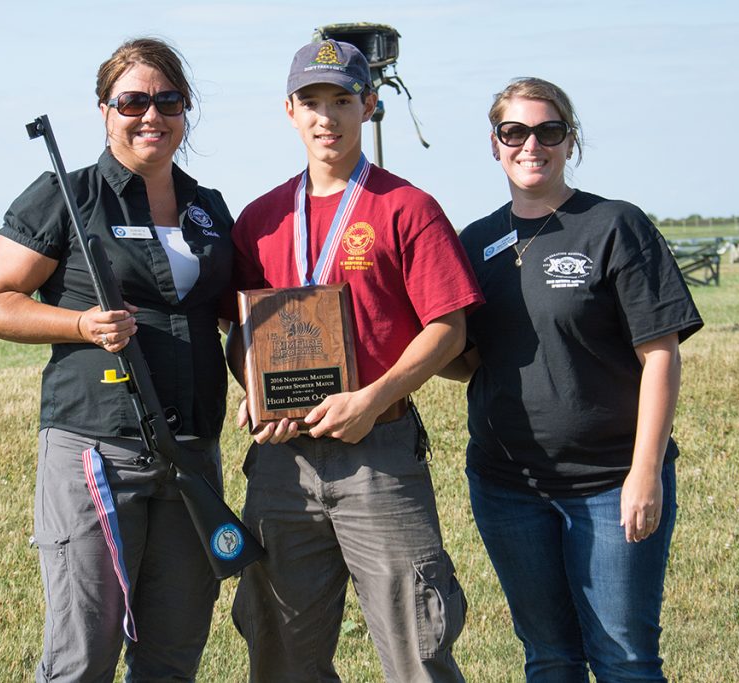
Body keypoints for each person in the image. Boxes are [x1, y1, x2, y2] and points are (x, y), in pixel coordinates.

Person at [0, 38, 233, 682]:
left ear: (186, 108)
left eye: (167, 99)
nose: (151, 115)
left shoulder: (208, 207)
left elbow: (235, 316)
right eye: (133, 100)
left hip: (192, 451)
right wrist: (80, 324)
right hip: (96, 451)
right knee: (83, 653)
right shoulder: (66, 195)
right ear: (104, 110)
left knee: (173, 652)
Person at [223, 40, 483, 682]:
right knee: (279, 650)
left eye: (342, 99)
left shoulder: (407, 208)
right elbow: (240, 332)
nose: (326, 116)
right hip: (283, 463)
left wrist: (372, 399)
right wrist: (252, 391)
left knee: (416, 650)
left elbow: (448, 329)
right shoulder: (260, 219)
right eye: (311, 101)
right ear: (289, 110)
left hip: (380, 453)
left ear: (369, 105)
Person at [449, 77, 704, 682]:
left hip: (609, 483)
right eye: (515, 132)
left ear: (570, 140)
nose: (530, 144)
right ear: (495, 144)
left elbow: (661, 356)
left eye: (548, 131)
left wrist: (644, 473)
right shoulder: (475, 241)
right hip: (508, 486)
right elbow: (466, 356)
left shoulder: (615, 225)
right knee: (549, 657)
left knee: (624, 659)